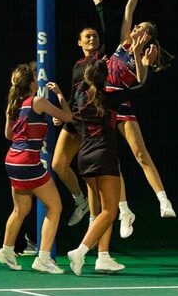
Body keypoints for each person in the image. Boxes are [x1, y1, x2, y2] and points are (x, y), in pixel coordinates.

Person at [51, 0, 126, 273]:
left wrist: (99, 8)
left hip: (92, 124)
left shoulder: (100, 61)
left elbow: (107, 34)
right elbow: (72, 94)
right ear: (79, 42)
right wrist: (61, 115)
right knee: (58, 164)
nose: (92, 38)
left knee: (100, 191)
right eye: (87, 36)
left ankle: (102, 253)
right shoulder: (77, 66)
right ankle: (78, 202)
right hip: (77, 119)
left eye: (94, 36)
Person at [67, 38, 156, 275]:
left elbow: (85, 88)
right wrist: (146, 63)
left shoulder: (80, 97)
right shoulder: (110, 97)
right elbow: (142, 87)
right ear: (105, 78)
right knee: (109, 211)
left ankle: (103, 257)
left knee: (100, 210)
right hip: (104, 156)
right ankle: (80, 251)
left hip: (84, 158)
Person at [106, 0, 177, 239]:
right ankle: (125, 211)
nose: (136, 28)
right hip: (104, 107)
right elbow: (128, 10)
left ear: (148, 38)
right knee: (113, 162)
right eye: (137, 26)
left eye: (142, 29)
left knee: (139, 154)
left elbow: (139, 81)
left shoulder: (142, 56)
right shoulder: (123, 42)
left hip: (122, 107)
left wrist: (138, 55)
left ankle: (163, 200)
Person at [0, 64, 72, 274]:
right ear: (31, 84)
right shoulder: (37, 101)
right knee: (55, 206)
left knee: (21, 209)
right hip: (28, 162)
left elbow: (9, 136)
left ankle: (6, 251)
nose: (38, 81)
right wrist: (59, 94)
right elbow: (68, 117)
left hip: (12, 160)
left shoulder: (14, 104)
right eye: (36, 79)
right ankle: (43, 258)